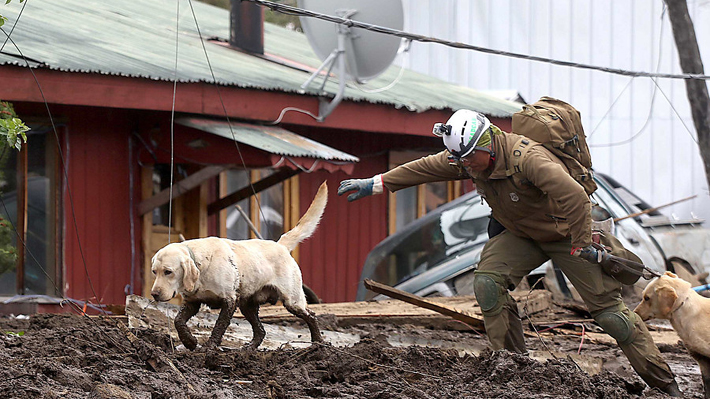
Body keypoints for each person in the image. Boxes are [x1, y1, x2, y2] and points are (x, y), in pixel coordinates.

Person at [338, 109, 682, 396]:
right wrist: (375, 183)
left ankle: (667, 387)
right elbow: (427, 167)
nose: (465, 166)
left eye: (469, 157)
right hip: (521, 235)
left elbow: (576, 197)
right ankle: (517, 371)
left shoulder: (527, 159)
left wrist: (582, 243)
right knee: (487, 283)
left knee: (611, 316)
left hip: (565, 234)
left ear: (487, 143)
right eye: (460, 159)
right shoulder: (468, 156)